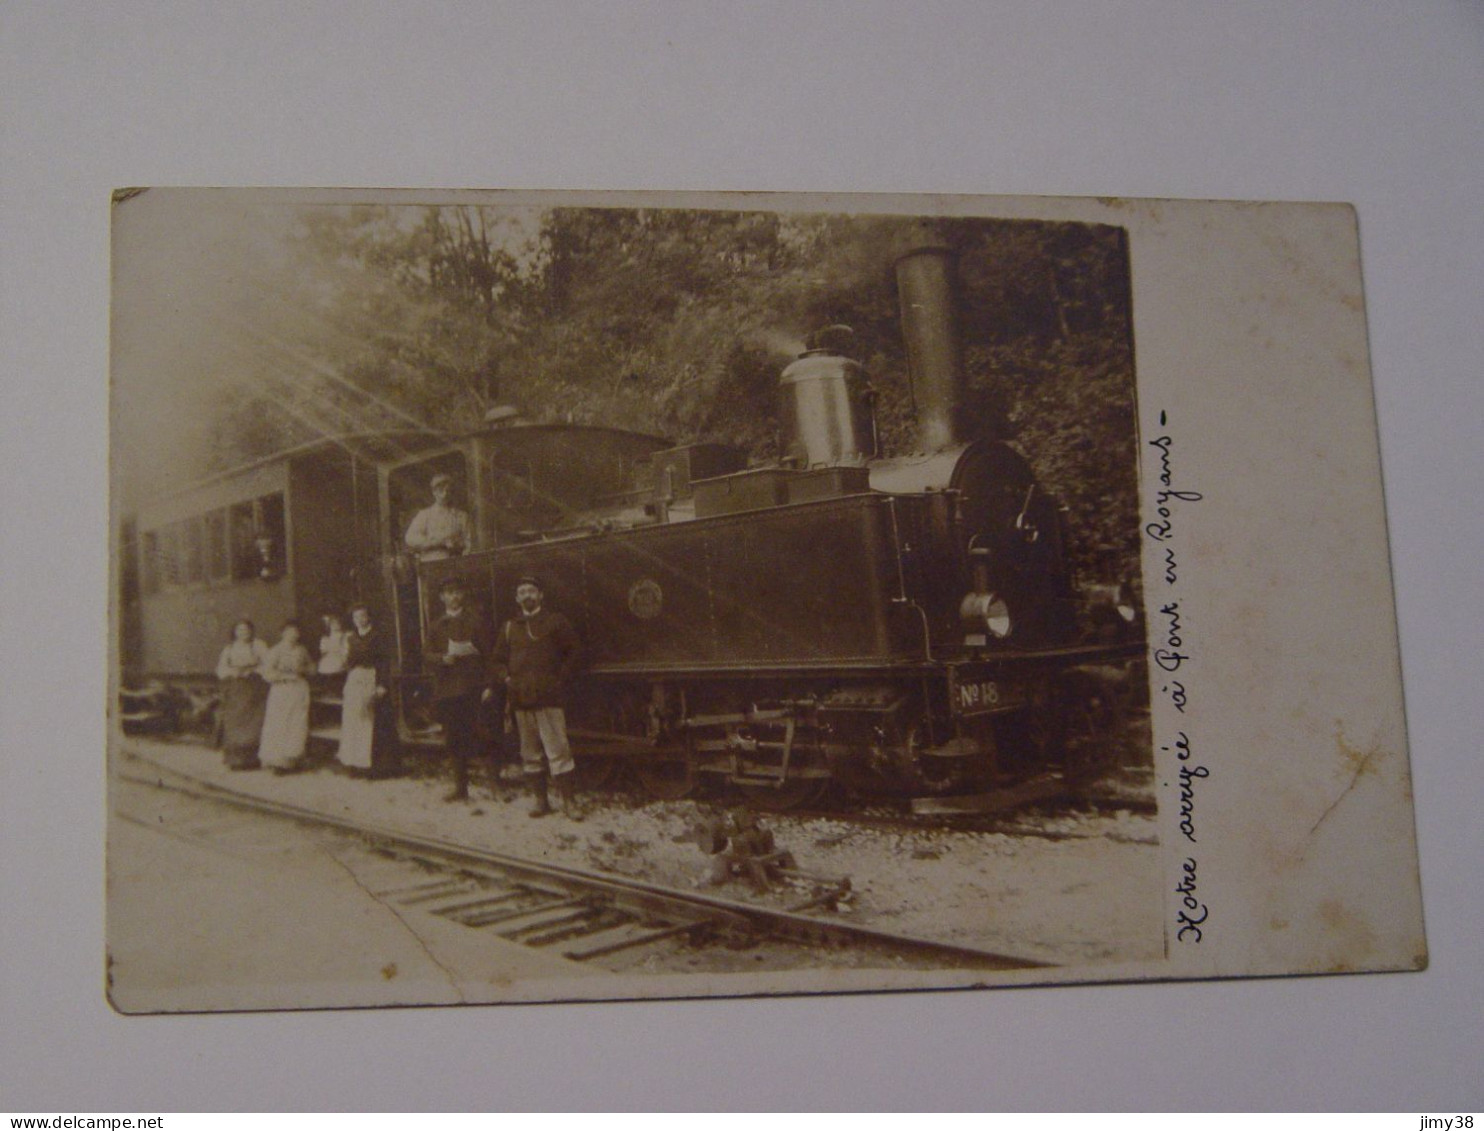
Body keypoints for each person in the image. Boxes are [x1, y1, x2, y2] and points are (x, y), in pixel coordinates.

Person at [492, 574, 584, 820]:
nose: (527, 596)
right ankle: (540, 801)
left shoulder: (555, 622)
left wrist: (559, 679)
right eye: (522, 592)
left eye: (531, 591)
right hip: (521, 699)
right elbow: (498, 660)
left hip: (548, 698)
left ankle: (569, 802)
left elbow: (574, 652)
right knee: (530, 753)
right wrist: (507, 679)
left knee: (558, 751)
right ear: (516, 598)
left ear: (541, 595)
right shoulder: (510, 626)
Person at [423, 577, 493, 802]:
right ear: (442, 597)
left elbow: (490, 656)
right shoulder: (436, 626)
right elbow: (426, 655)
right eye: (449, 593)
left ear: (462, 596)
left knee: (483, 734)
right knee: (454, 738)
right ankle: (460, 787)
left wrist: (489, 684)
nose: (453, 596)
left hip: (472, 688)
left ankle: (494, 784)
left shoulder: (476, 621)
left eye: (457, 592)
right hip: (448, 690)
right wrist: (442, 658)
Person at [336, 603, 399, 778]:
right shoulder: (351, 638)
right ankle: (354, 762)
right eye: (356, 617)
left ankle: (375, 767)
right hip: (355, 680)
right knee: (353, 720)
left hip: (372, 678)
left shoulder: (377, 637)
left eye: (363, 616)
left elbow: (384, 663)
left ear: (368, 617)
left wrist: (382, 685)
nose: (360, 620)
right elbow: (348, 662)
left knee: (372, 722)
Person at [257, 620, 315, 774]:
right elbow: (266, 673)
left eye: (296, 632)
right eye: (289, 631)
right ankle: (278, 762)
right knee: (280, 723)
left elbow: (312, 668)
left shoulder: (302, 650)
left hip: (298, 690)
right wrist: (283, 676)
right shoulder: (276, 650)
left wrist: (303, 669)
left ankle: (293, 758)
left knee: (297, 723)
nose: (293, 635)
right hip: (281, 690)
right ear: (283, 633)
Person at [215, 619, 270, 771]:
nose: (243, 633)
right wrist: (234, 672)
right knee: (235, 723)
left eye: (246, 630)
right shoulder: (229, 648)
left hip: (254, 688)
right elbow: (221, 668)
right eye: (240, 630)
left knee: (254, 723)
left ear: (251, 631)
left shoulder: (258, 645)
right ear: (235, 632)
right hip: (236, 689)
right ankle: (235, 761)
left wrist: (252, 671)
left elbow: (268, 663)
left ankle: (253, 760)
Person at [404, 472, 471, 561]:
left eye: (448, 490)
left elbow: (469, 541)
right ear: (434, 492)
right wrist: (438, 542)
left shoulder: (461, 516)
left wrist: (460, 547)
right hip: (432, 563)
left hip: (456, 563)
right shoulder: (425, 515)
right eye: (440, 490)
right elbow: (410, 538)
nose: (445, 494)